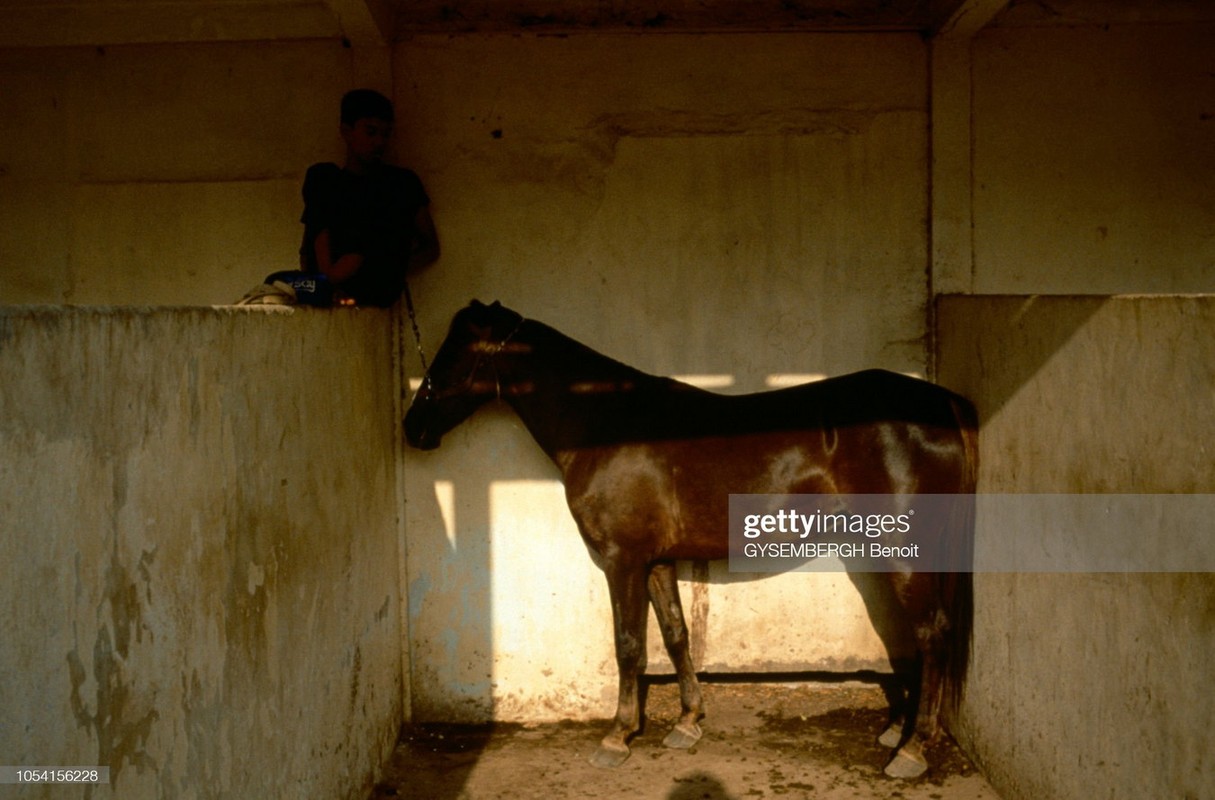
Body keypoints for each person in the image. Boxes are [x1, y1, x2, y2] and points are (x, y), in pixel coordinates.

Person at [245, 89, 439, 307]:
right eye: (371, 132)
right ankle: (325, 284)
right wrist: (326, 281)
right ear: (346, 132)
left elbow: (430, 246)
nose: (379, 142)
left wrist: (388, 266)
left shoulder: (400, 183)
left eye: (385, 134)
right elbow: (312, 238)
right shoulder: (327, 181)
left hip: (376, 289)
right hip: (329, 288)